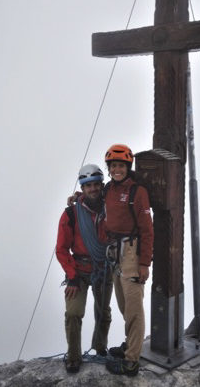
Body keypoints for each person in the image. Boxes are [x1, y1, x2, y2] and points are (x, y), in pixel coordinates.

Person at [56, 164, 113, 373]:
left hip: (103, 267)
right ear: (83, 186)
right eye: (88, 186)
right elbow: (61, 248)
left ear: (101, 185)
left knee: (103, 312)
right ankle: (73, 356)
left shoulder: (112, 208)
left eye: (96, 184)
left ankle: (100, 348)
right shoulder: (71, 214)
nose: (93, 189)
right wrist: (71, 276)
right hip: (78, 270)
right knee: (73, 313)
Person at [103, 144, 154, 377]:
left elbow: (147, 230)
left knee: (133, 307)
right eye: (113, 166)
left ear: (128, 166)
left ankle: (131, 361)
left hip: (132, 252)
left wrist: (144, 264)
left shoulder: (137, 192)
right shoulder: (108, 190)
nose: (117, 170)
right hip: (115, 252)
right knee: (123, 304)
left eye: (121, 166)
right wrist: (77, 196)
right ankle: (130, 344)